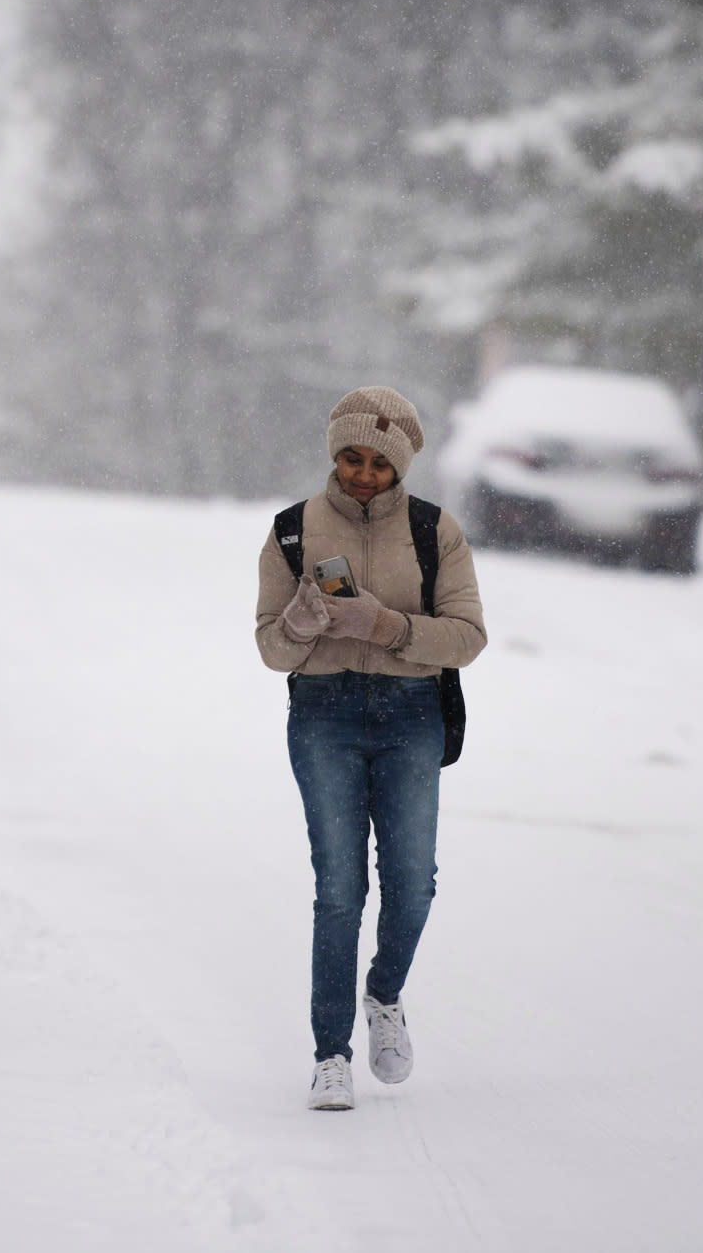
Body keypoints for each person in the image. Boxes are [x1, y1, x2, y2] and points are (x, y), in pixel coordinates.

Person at [254, 386, 486, 1111]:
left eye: (378, 463)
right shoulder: (293, 530)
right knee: (339, 889)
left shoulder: (434, 531)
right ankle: (331, 1053)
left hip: (412, 713)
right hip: (324, 714)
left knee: (413, 882)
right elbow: (269, 646)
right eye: (351, 457)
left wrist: (383, 624)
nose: (362, 473)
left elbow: (468, 636)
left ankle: (383, 993)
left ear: (400, 465)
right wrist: (297, 620)